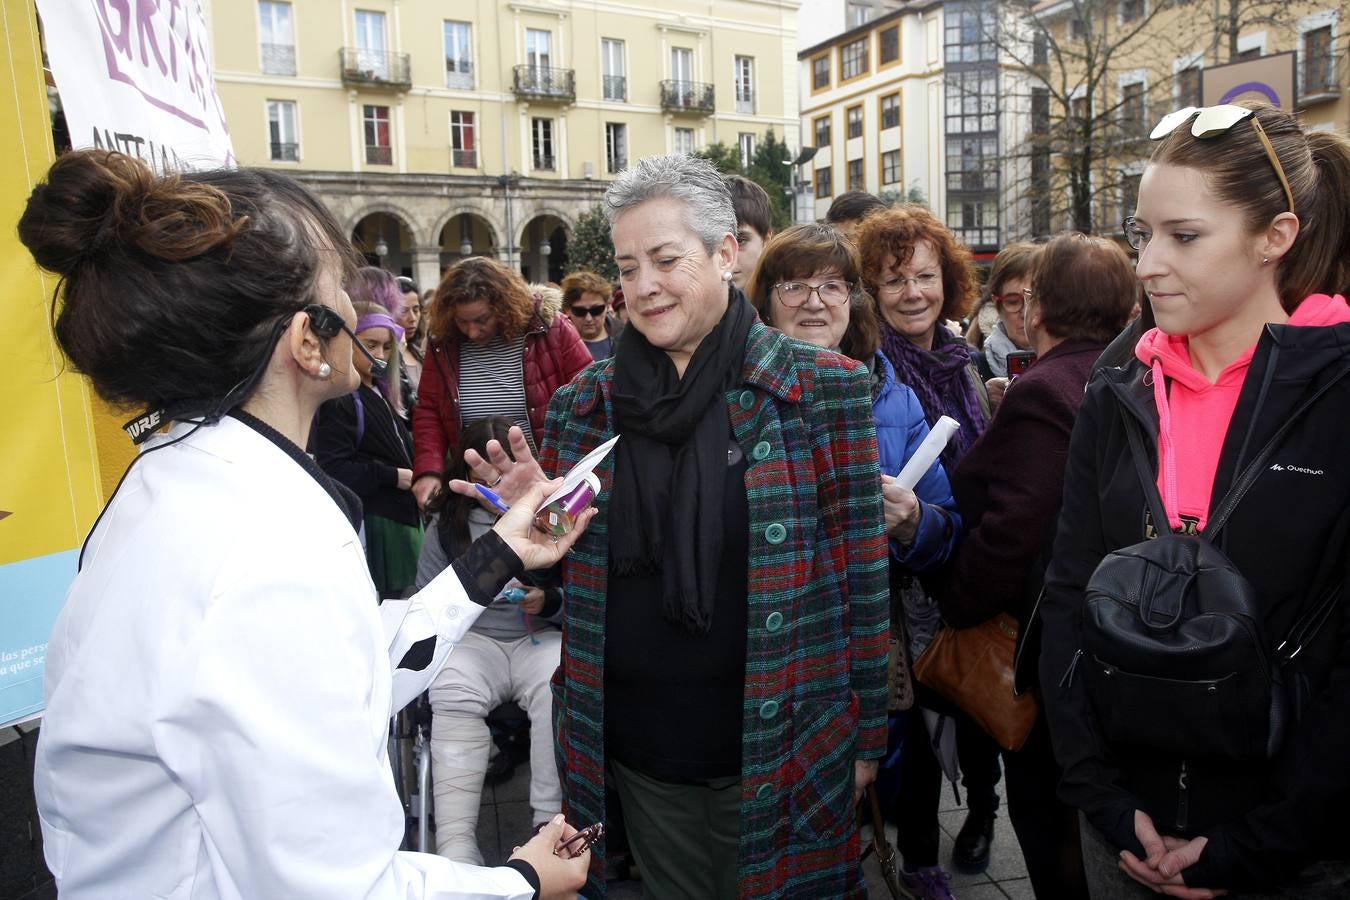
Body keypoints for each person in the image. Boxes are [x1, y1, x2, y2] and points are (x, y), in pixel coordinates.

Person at [18, 149, 594, 899]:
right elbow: (339, 886)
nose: (361, 308)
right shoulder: (260, 549)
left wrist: (508, 550)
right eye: (341, 288)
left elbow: (345, 673)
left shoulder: (192, 483)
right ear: (306, 342)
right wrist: (522, 879)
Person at [450, 154, 890, 899]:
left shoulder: (823, 390)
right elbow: (565, 581)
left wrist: (867, 736)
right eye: (628, 267)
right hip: (640, 747)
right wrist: (535, 525)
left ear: (724, 255)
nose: (643, 285)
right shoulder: (581, 406)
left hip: (786, 743)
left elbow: (862, 578)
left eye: (665, 259)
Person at [1040, 102, 1350, 898]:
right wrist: (1104, 801)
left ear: (1274, 238)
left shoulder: (1338, 397)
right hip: (1124, 838)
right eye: (1141, 234)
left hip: (1293, 858)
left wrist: (1260, 844)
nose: (1144, 264)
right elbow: (1070, 594)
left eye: (1183, 237)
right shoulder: (1117, 393)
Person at [932, 232, 1136, 900]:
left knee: (1052, 828)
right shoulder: (1126, 370)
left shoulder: (1046, 389)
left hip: (1052, 656)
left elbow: (1015, 530)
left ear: (1039, 308)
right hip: (1118, 646)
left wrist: (960, 601)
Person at [855, 203, 997, 897]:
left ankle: (967, 823)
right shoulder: (873, 366)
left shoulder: (964, 358)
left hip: (962, 565)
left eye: (925, 276)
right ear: (869, 294)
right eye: (893, 281)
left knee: (964, 719)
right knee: (905, 730)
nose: (913, 292)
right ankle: (909, 848)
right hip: (905, 579)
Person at [746, 222, 961, 573]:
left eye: (832, 286)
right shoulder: (738, 395)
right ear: (766, 303)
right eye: (795, 286)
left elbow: (948, 534)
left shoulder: (897, 402)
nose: (814, 303)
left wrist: (913, 522)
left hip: (865, 615)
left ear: (852, 300)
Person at [419, 417, 565, 865]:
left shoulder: (553, 516)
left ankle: (548, 827)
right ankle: (457, 845)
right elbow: (427, 607)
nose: (499, 483)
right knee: (452, 689)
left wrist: (547, 601)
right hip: (473, 640)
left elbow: (585, 598)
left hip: (536, 638)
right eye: (485, 473)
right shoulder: (445, 526)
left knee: (558, 682)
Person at [411, 257, 592, 511]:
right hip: (476, 494)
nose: (472, 332)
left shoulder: (550, 329)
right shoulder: (443, 342)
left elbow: (589, 402)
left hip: (549, 487)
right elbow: (429, 409)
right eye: (463, 322)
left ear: (505, 306)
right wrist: (429, 470)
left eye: (482, 319)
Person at [312, 299, 422, 597]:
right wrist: (392, 476)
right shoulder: (341, 398)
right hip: (376, 526)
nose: (380, 355)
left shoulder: (378, 388)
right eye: (370, 345)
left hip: (400, 518)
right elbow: (333, 468)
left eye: (387, 347)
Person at [978, 242, 1039, 378]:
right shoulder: (975, 369)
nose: (1025, 313)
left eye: (1034, 300)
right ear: (996, 304)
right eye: (1013, 302)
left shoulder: (1072, 362)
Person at [724, 173, 774, 290]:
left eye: (740, 240)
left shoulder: (789, 302)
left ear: (766, 241)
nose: (727, 256)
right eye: (715, 242)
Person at [560, 269, 622, 361]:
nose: (588, 318)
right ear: (567, 310)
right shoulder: (557, 344)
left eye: (596, 310)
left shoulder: (626, 336)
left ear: (607, 307)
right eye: (580, 311)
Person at [396, 275, 426, 408]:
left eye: (416, 310)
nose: (412, 318)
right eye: (403, 311)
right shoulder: (386, 355)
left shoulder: (419, 352)